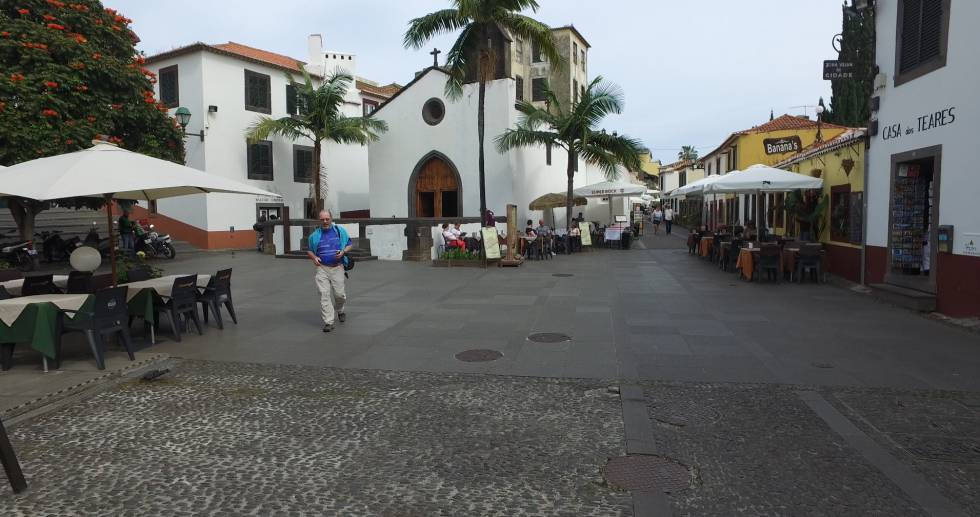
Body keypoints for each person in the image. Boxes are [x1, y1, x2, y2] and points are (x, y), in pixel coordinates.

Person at [307, 210, 352, 333]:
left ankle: (340, 309)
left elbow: (349, 244)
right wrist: (314, 257)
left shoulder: (339, 231)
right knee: (324, 294)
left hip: (338, 267)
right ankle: (329, 322)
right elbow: (309, 250)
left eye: (327, 219)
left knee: (339, 295)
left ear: (331, 218)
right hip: (322, 268)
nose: (325, 221)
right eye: (322, 219)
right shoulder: (314, 235)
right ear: (319, 220)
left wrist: (343, 252)